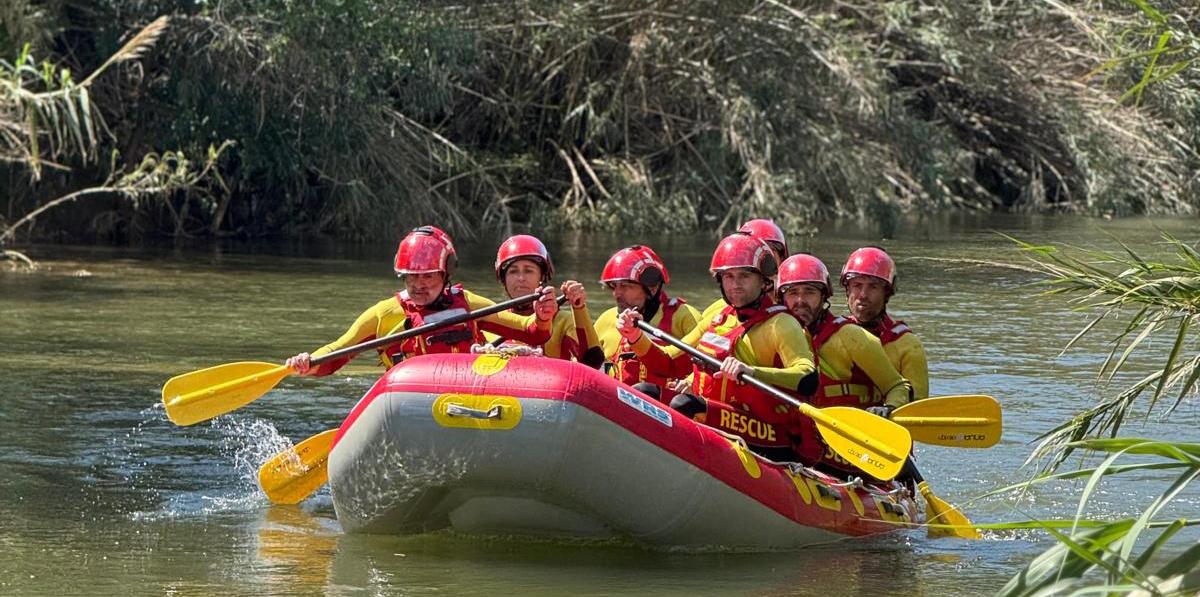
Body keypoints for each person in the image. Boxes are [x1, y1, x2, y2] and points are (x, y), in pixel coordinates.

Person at [615, 232, 816, 461]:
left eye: (744, 276)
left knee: (685, 404)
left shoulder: (782, 323)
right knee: (642, 392)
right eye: (728, 277)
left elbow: (808, 377)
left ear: (763, 280)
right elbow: (668, 362)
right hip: (717, 412)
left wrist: (750, 371)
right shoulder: (718, 318)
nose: (736, 285)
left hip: (767, 431)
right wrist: (635, 336)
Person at [286, 226, 558, 376]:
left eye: (428, 276)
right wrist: (308, 362)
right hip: (412, 404)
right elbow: (337, 353)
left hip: (467, 397)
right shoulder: (384, 314)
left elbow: (531, 333)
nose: (419, 285)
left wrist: (543, 316)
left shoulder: (468, 304)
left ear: (445, 272)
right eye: (411, 277)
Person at [776, 253, 912, 471]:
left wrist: (889, 409)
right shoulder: (775, 331)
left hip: (846, 452)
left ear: (824, 296)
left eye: (809, 292)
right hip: (799, 444)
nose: (800, 301)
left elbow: (898, 386)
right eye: (793, 293)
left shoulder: (851, 336)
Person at [593, 245, 700, 402]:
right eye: (614, 286)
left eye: (625, 286)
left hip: (668, 408)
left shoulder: (684, 316)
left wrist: (690, 382)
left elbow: (707, 362)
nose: (617, 294)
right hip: (618, 405)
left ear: (652, 287)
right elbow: (584, 362)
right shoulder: (606, 319)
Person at [491, 234, 604, 367]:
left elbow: (593, 361)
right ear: (504, 280)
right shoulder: (492, 318)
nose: (521, 278)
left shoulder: (563, 321)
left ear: (542, 277)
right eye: (513, 271)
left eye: (529, 271)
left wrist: (579, 308)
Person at [840, 247, 929, 400]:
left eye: (873, 287)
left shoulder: (907, 344)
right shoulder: (832, 335)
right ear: (848, 290)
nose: (863, 295)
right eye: (857, 285)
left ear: (887, 293)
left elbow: (918, 407)